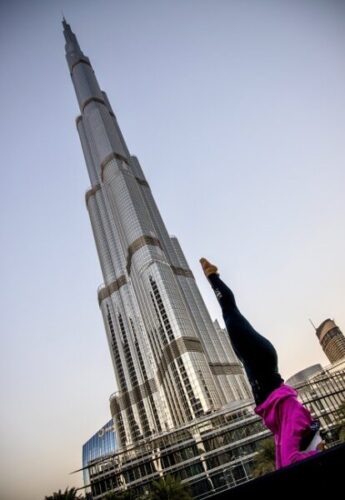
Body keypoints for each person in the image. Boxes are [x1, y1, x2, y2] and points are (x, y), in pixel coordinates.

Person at [200, 257, 323, 469]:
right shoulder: (296, 418)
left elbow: (282, 460)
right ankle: (213, 276)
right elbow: (291, 461)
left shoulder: (286, 428)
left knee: (231, 317)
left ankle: (213, 277)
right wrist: (318, 452)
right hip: (262, 361)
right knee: (230, 314)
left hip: (257, 367)